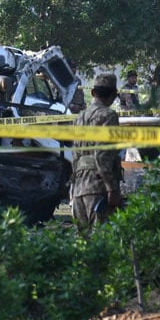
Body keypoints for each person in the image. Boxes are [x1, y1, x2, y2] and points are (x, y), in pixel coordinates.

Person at [71, 73, 123, 236]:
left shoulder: (79, 118)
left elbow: (75, 156)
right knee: (102, 242)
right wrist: (112, 189)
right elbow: (102, 155)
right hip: (98, 187)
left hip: (79, 187)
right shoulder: (109, 116)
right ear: (114, 95)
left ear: (93, 92)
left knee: (83, 244)